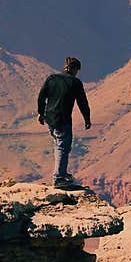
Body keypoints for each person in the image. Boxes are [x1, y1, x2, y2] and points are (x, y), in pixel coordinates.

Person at [37, 57, 91, 188]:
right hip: (63, 120)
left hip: (50, 118)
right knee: (62, 146)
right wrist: (87, 118)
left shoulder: (52, 78)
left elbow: (41, 96)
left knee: (61, 145)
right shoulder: (75, 82)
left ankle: (62, 172)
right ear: (75, 69)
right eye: (77, 70)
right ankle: (59, 178)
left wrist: (41, 113)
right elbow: (82, 102)